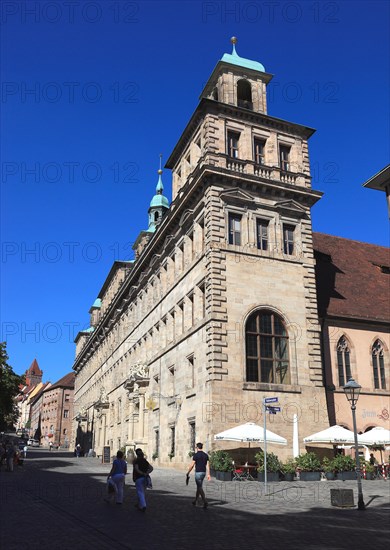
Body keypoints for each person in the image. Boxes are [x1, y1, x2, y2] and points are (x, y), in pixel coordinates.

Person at [186, 442, 210, 508]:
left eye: (196, 447)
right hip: (203, 473)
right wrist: (208, 474)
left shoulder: (196, 455)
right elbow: (207, 465)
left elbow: (192, 465)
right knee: (199, 487)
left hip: (198, 473)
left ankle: (205, 502)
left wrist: (188, 472)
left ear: (197, 447)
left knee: (199, 487)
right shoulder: (206, 455)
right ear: (201, 447)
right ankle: (195, 500)